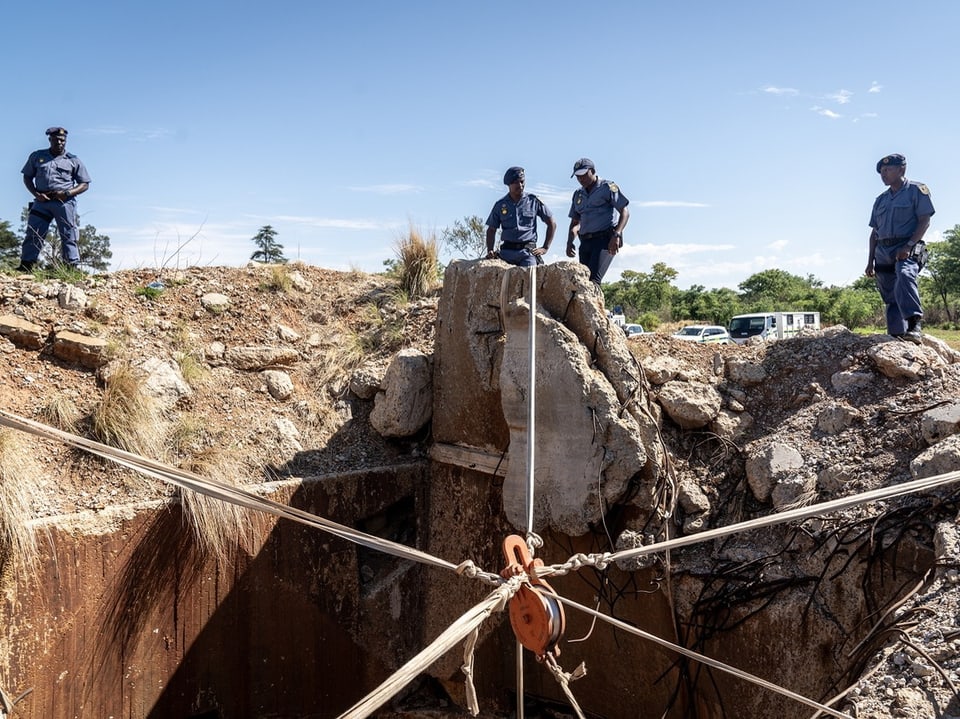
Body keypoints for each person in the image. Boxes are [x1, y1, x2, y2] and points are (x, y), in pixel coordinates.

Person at [865, 154, 934, 344]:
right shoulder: (880, 200)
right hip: (883, 252)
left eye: (887, 170)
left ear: (901, 170)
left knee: (904, 274)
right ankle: (896, 335)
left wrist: (909, 246)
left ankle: (914, 324)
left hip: (908, 246)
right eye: (881, 172)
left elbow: (924, 221)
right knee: (890, 295)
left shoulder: (916, 190)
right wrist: (870, 261)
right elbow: (874, 233)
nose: (883, 174)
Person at [18, 127, 92, 272]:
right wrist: (36, 193)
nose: (59, 142)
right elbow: (27, 177)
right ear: (50, 139)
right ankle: (26, 265)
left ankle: (71, 267)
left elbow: (85, 184)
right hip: (41, 201)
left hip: (64, 202)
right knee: (34, 232)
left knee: (68, 233)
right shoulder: (37, 156)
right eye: (56, 139)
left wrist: (68, 193)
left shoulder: (73, 160)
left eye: (62, 140)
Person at [566, 158, 630, 284]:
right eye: (578, 176)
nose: (580, 179)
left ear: (593, 171)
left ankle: (595, 304)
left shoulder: (607, 187)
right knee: (583, 282)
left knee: (594, 281)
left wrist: (616, 235)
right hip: (585, 242)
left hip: (604, 241)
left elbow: (625, 212)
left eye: (584, 175)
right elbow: (575, 223)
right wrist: (569, 242)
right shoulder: (578, 194)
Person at [485, 166, 556, 267]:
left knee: (530, 279)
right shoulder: (500, 205)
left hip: (527, 253)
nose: (520, 185)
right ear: (508, 184)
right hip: (507, 253)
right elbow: (491, 230)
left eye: (522, 181)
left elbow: (552, 223)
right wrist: (490, 250)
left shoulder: (533, 201)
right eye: (516, 182)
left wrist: (545, 248)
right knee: (502, 281)